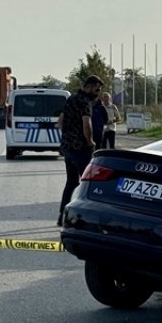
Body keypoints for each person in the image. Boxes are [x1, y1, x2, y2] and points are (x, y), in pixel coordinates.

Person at [56, 75, 103, 225]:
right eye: (97, 89)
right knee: (88, 182)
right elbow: (86, 124)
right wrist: (90, 142)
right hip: (81, 148)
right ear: (88, 87)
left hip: (68, 147)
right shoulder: (85, 102)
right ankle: (86, 218)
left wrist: (67, 136)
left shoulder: (71, 99)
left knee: (71, 182)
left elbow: (60, 121)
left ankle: (61, 216)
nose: (98, 93)